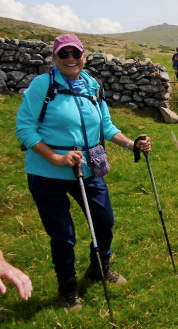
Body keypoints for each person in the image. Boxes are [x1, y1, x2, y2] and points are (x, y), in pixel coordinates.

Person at [15, 34, 152, 310]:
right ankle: (68, 289)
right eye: (63, 54)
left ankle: (99, 267)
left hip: (89, 168)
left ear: (84, 56)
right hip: (47, 172)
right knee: (63, 234)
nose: (70, 59)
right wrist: (55, 157)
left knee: (104, 220)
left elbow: (106, 127)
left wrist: (131, 144)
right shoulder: (42, 86)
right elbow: (24, 129)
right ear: (54, 59)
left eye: (74, 53)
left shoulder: (92, 85)